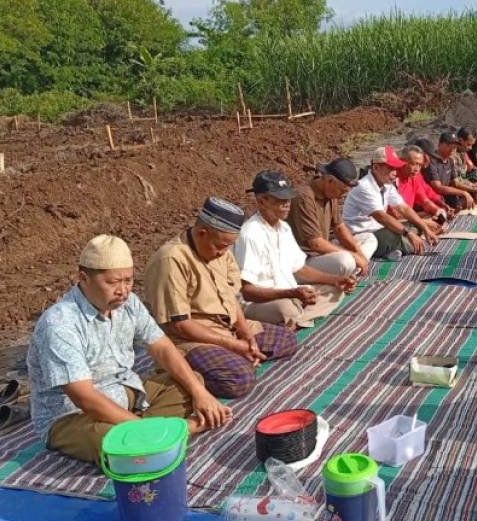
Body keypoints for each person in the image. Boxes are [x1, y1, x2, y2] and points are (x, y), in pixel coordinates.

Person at [29, 235, 233, 465]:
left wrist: (200, 393)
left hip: (122, 392)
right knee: (111, 446)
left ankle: (145, 433)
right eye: (113, 282)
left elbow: (163, 347)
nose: (123, 290)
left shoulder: (129, 303)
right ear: (84, 278)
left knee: (190, 381)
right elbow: (83, 397)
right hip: (71, 415)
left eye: (128, 280)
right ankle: (173, 430)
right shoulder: (60, 323)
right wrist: (144, 429)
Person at [143, 197, 297, 399]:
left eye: (227, 247)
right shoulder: (171, 259)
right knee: (240, 378)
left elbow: (232, 301)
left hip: (226, 328)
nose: (223, 253)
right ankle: (187, 372)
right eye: (220, 246)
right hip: (190, 340)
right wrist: (232, 345)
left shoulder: (221, 251)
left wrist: (247, 337)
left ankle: (231, 358)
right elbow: (179, 326)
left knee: (286, 340)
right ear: (201, 233)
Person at [234, 170, 355, 330]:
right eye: (279, 200)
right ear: (262, 201)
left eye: (288, 199)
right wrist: (291, 294)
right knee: (285, 308)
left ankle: (296, 318)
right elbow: (248, 292)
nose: (287, 204)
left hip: (290, 295)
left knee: (335, 290)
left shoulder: (283, 228)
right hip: (261, 303)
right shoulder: (250, 234)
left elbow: (300, 269)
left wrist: (334, 280)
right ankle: (296, 317)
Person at [342, 146, 440, 260]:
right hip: (363, 235)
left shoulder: (387, 184)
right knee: (397, 236)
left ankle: (393, 249)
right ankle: (411, 245)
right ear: (376, 167)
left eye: (395, 168)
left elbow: (404, 208)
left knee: (414, 225)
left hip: (379, 230)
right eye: (390, 168)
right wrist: (409, 234)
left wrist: (424, 228)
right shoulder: (365, 187)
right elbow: (381, 217)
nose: (394, 173)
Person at [288, 157, 375, 279]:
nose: (341, 197)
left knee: (368, 238)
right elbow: (315, 244)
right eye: (341, 191)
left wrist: (359, 254)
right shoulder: (304, 197)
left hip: (321, 253)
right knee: (346, 261)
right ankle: (348, 272)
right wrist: (353, 256)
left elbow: (339, 228)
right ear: (329, 181)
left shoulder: (330, 194)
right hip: (304, 261)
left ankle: (353, 270)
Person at [421, 132, 477, 209]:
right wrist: (464, 193)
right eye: (449, 145)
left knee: (474, 196)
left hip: (447, 195)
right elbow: (438, 188)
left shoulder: (450, 160)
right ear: (440, 144)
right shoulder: (431, 161)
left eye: (454, 147)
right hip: (434, 197)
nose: (452, 149)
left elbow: (456, 183)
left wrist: (475, 190)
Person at [395, 144, 452, 222]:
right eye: (413, 164)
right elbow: (396, 215)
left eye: (419, 165)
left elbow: (425, 201)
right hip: (397, 221)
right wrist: (422, 220)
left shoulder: (414, 177)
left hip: (408, 216)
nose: (417, 169)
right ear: (402, 161)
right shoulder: (393, 180)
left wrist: (438, 210)